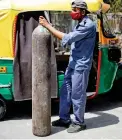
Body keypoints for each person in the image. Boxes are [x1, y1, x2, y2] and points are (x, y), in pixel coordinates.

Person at [39, 0, 96, 133]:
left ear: (82, 11)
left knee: (77, 95)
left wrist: (48, 26)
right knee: (65, 91)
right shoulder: (79, 24)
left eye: (75, 10)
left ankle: (79, 122)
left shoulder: (88, 25)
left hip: (80, 66)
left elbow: (67, 38)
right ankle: (64, 118)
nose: (72, 12)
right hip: (73, 63)